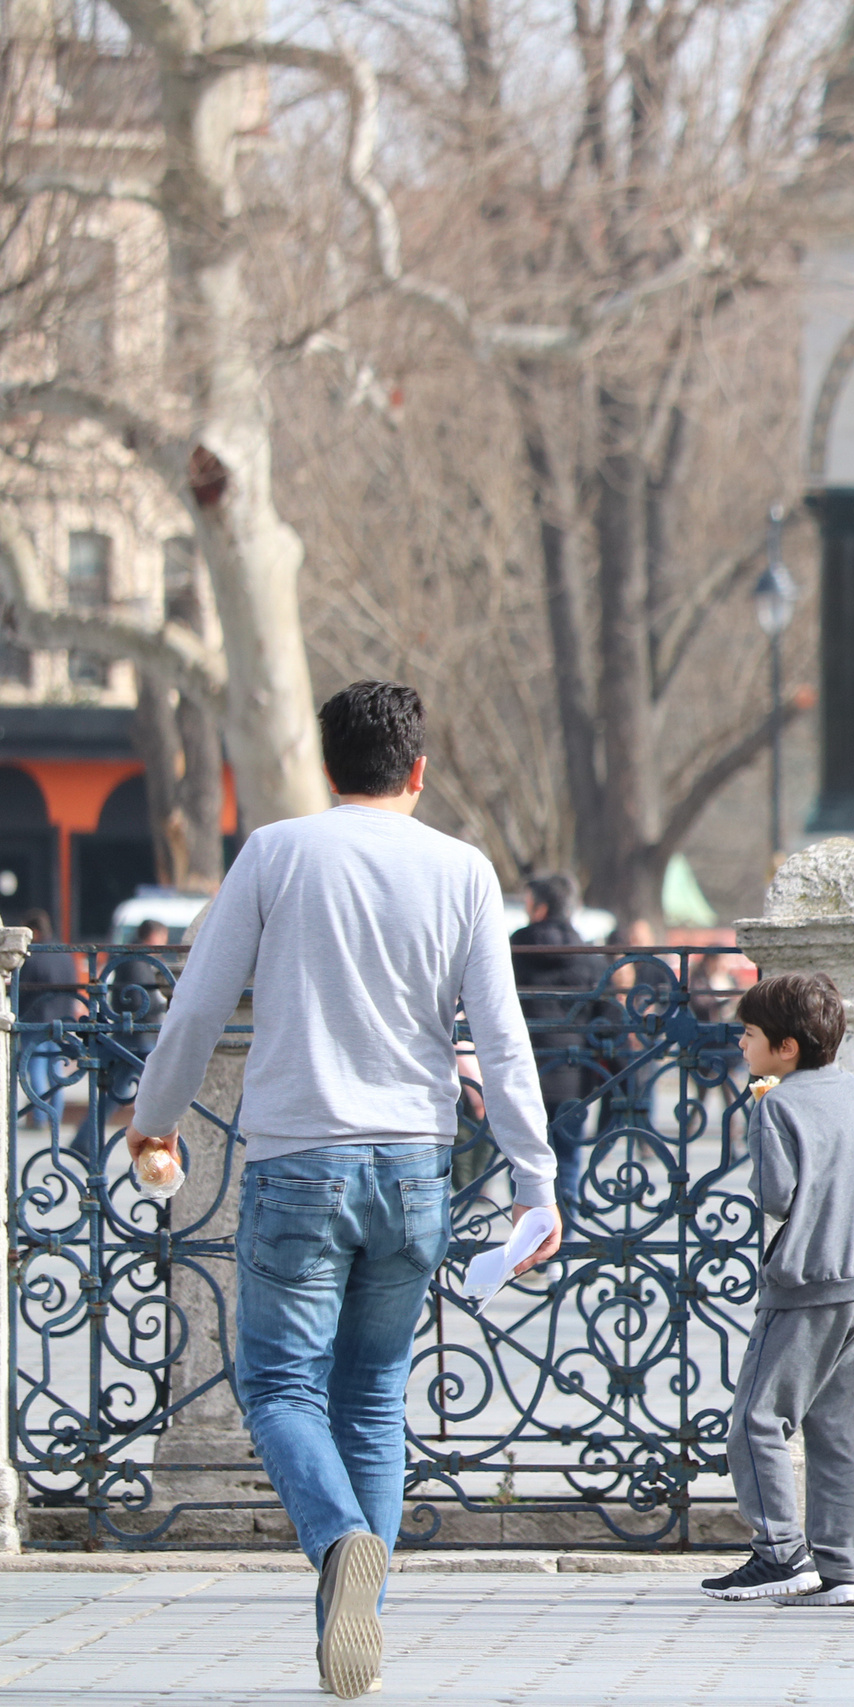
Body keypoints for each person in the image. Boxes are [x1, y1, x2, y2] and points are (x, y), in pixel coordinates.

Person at [123, 681, 560, 1699]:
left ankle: (337, 1544)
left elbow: (197, 1007)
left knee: (278, 1385)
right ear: (419, 771)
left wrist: (154, 1115)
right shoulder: (462, 870)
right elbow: (503, 1040)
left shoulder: (276, 852)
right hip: (414, 1164)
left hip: (300, 1160)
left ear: (326, 769)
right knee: (370, 1394)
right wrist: (535, 1179)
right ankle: (353, 1621)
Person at [699, 972, 854, 1608]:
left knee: (755, 1419)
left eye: (749, 1034)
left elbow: (775, 1196)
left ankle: (780, 1552)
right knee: (832, 1421)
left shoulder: (777, 1104)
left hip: (810, 1280)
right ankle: (840, 1567)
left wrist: (757, 1122)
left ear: (785, 1047)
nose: (741, 1043)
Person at [511, 875, 599, 1219]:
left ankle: (530, 1236)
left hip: (523, 1069)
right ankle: (566, 1234)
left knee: (523, 1163)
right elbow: (604, 1015)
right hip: (573, 1071)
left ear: (540, 908)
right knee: (568, 1159)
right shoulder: (588, 954)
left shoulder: (515, 950)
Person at [17, 909, 81, 1126]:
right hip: (62, 1020)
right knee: (56, 1072)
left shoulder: (33, 956)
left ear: (34, 931)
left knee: (35, 1068)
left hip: (35, 1020)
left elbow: (21, 990)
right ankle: (55, 1116)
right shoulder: (64, 955)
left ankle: (40, 1117)